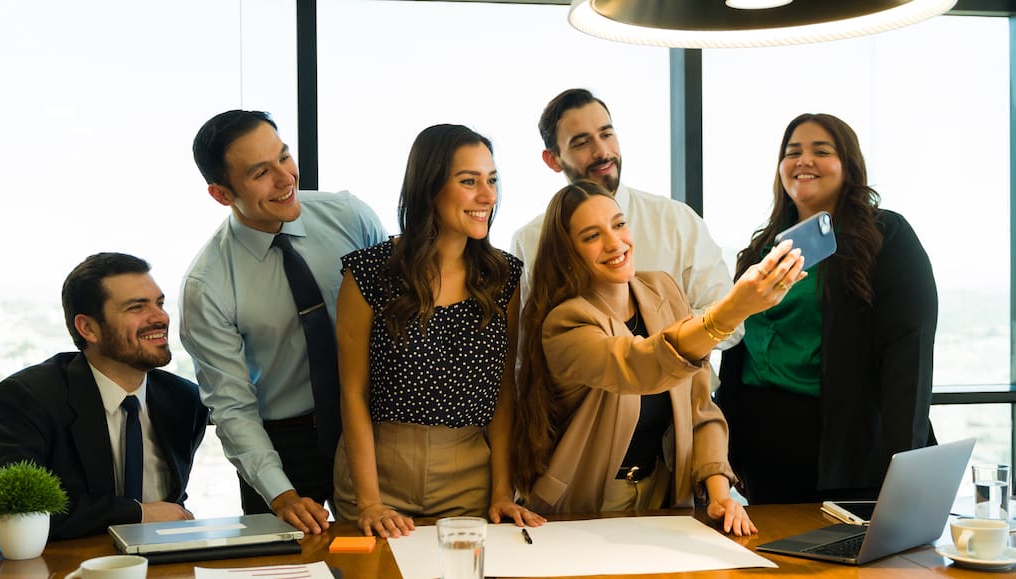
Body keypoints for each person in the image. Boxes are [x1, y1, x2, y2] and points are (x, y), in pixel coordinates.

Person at [514, 180, 805, 535]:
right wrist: (732, 309)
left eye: (619, 224)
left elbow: (700, 405)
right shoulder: (565, 323)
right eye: (592, 236)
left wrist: (719, 494)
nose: (615, 242)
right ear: (567, 253)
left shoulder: (663, 289)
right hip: (584, 506)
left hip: (664, 496)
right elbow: (641, 366)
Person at [334, 124, 545, 538]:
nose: (488, 196)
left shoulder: (503, 277)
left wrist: (503, 492)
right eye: (469, 181)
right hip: (379, 471)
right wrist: (370, 502)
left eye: (492, 180)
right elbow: (353, 395)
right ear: (429, 187)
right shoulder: (368, 272)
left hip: (468, 474)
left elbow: (505, 394)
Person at [716, 113, 938, 504]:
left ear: (848, 166)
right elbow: (737, 350)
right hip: (761, 450)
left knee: (855, 563)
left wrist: (905, 466)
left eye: (821, 151)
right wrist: (725, 448)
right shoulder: (761, 250)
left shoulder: (886, 237)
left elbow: (909, 353)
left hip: (846, 452)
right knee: (775, 563)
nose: (804, 161)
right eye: (792, 152)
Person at [181, 110, 386, 532]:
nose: (285, 177)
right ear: (221, 193)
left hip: (372, 424)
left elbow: (397, 313)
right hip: (282, 445)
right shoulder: (208, 285)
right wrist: (281, 492)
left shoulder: (348, 216)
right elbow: (232, 406)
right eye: (260, 172)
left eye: (284, 156)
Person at [0, 252, 208, 542]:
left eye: (159, 303)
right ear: (88, 328)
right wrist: (137, 513)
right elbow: (2, 516)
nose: (160, 317)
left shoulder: (184, 400)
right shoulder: (29, 398)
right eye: (136, 307)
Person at [511, 89, 738, 339]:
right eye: (582, 142)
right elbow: (526, 345)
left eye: (607, 134)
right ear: (553, 160)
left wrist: (658, 340)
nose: (602, 152)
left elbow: (732, 321)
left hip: (685, 378)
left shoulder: (676, 220)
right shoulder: (529, 241)